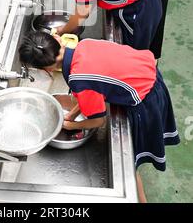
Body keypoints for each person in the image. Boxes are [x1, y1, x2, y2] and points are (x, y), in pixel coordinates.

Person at [18, 31, 180, 203]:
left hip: (145, 98)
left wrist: (68, 126)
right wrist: (71, 116)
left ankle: (142, 200)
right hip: (151, 75)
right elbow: (93, 86)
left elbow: (98, 121)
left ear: (46, 69)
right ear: (57, 41)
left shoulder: (79, 78)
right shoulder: (84, 45)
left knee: (131, 166)